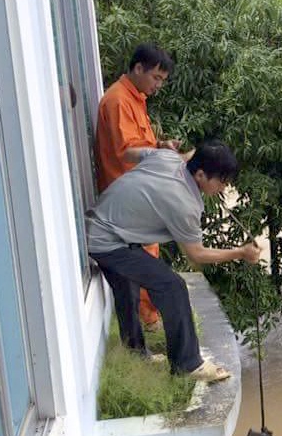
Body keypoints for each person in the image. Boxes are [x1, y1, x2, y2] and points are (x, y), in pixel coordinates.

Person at [86, 141, 261, 382]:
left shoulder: (168, 158)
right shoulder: (184, 204)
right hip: (108, 241)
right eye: (221, 180)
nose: (224, 186)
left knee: (127, 285)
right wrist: (241, 252)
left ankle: (135, 352)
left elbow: (127, 154)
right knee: (172, 286)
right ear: (200, 175)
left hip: (98, 226)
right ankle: (188, 365)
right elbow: (197, 255)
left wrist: (165, 148)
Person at [95, 43, 181, 332]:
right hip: (126, 202)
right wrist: (159, 154)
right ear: (138, 68)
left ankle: (149, 323)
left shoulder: (135, 99)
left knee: (147, 260)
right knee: (141, 267)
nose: (158, 85)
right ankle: (148, 326)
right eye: (155, 78)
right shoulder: (118, 100)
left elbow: (138, 144)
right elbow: (126, 151)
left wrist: (159, 146)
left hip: (138, 198)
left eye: (162, 81)